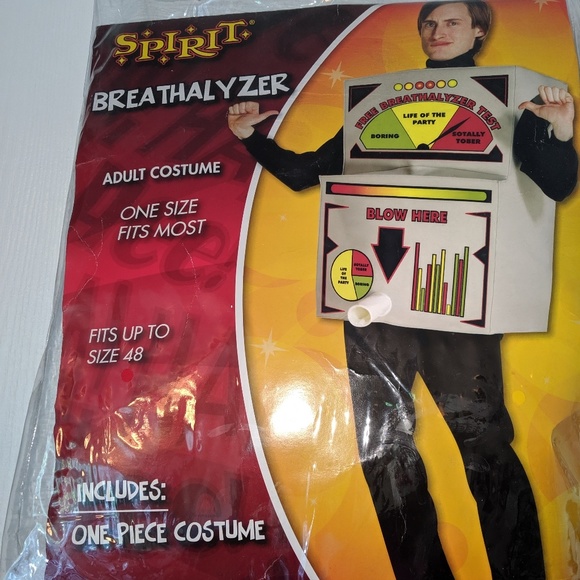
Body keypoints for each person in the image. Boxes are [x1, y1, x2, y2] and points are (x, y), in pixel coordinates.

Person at [227, 2, 577, 578]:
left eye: (453, 23)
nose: (438, 32)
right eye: (429, 23)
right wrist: (252, 139)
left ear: (479, 31)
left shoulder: (515, 99)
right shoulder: (379, 103)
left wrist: (560, 131)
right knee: (382, 447)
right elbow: (304, 172)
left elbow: (558, 183)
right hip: (375, 302)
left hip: (458, 295)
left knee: (483, 446)